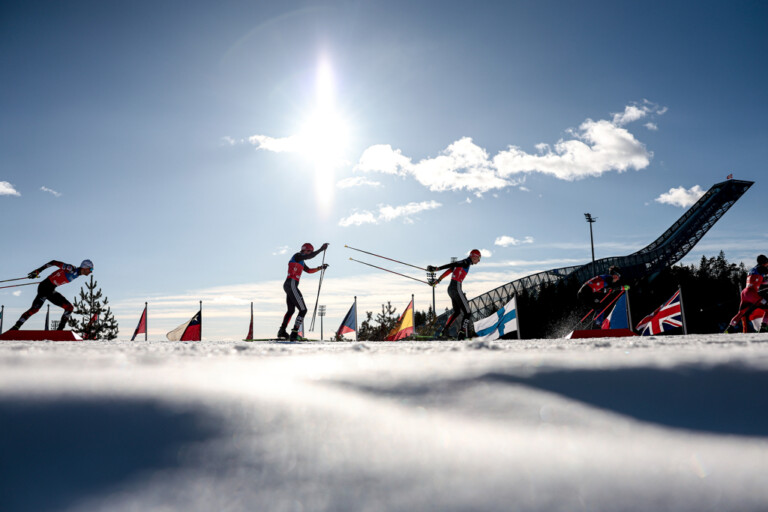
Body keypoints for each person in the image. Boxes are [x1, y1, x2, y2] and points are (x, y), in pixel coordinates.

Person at [9, 259, 94, 331]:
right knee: (35, 309)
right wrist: (38, 271)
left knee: (68, 308)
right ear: (85, 267)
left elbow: (58, 276)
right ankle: (16, 327)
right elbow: (54, 262)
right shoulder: (71, 268)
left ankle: (59, 331)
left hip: (50, 289)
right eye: (90, 269)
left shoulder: (77, 274)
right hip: (45, 287)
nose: (91, 272)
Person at [278, 242, 329, 341]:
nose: (310, 253)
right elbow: (310, 256)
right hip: (291, 284)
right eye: (309, 251)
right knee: (303, 310)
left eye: (311, 251)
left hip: (290, 285)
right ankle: (294, 333)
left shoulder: (301, 260)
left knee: (291, 310)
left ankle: (282, 331)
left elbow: (309, 271)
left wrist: (320, 268)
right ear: (304, 249)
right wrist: (321, 249)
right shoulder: (297, 256)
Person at [427, 249, 481, 340]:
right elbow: (453, 264)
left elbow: (450, 270)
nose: (479, 261)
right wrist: (437, 269)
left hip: (451, 289)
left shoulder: (465, 263)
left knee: (457, 311)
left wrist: (438, 280)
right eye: (478, 258)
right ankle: (462, 333)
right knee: (468, 312)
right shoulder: (466, 262)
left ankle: (445, 331)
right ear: (474, 256)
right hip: (456, 287)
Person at [725, 254, 768, 333]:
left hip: (745, 293)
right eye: (767, 262)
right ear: (764, 262)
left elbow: (762, 282)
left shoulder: (753, 270)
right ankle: (763, 328)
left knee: (741, 313)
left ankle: (729, 329)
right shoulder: (761, 268)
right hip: (752, 294)